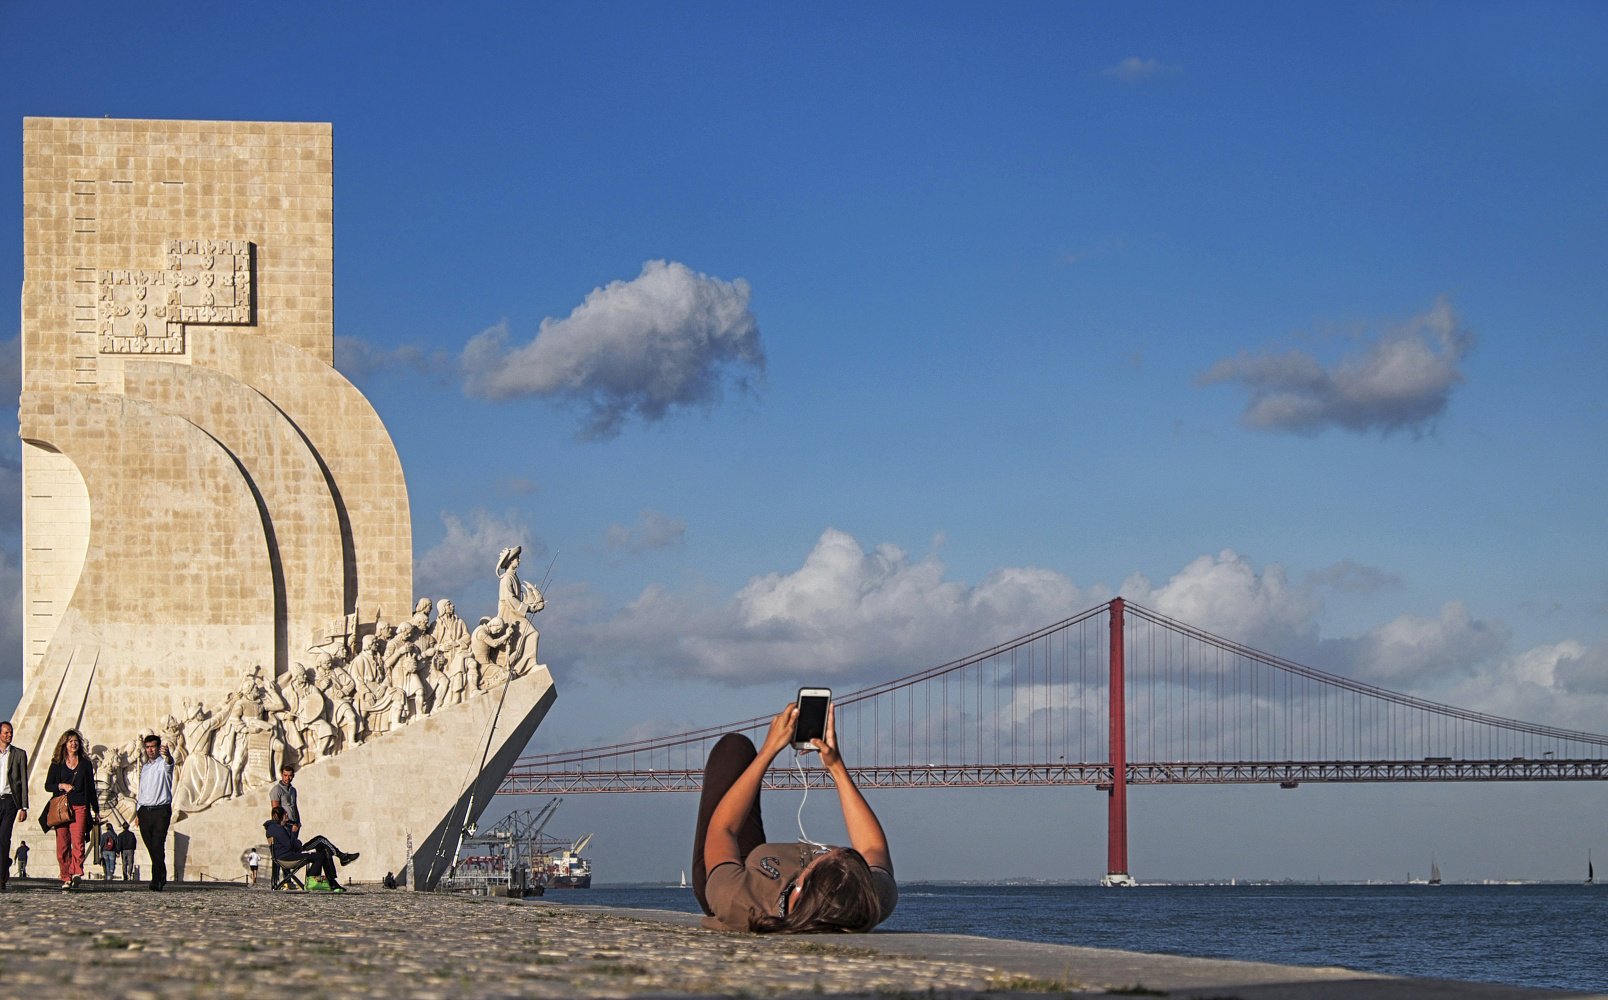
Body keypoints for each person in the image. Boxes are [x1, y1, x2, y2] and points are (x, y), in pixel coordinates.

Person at [693, 702, 897, 933]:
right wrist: (836, 766)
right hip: (774, 879)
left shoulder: (738, 898)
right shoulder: (869, 900)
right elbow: (872, 846)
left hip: (738, 869)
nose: (831, 851)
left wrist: (769, 750)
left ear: (799, 886)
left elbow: (722, 829)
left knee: (733, 748)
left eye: (823, 858)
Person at [46, 728, 98, 889]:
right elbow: (48, 785)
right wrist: (61, 785)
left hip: (80, 806)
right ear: (64, 744)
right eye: (70, 741)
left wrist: (96, 809)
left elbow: (90, 787)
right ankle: (65, 876)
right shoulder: (57, 764)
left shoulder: (85, 764)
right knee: (62, 845)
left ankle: (76, 872)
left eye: (76, 741)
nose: (74, 744)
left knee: (78, 841)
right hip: (62, 808)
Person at [264, 805, 356, 891]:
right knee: (319, 855)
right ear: (280, 816)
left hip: (289, 853)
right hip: (287, 857)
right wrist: (293, 833)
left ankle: (333, 880)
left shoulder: (275, 827)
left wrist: (294, 837)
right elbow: (289, 846)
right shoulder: (277, 828)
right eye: (285, 814)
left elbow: (289, 843)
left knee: (323, 846)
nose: (288, 816)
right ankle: (314, 880)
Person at [135, 732, 175, 891]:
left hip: (161, 810)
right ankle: (161, 873)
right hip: (145, 811)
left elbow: (170, 764)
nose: (150, 750)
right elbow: (142, 790)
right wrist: (138, 811)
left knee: (158, 844)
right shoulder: (144, 767)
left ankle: (156, 879)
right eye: (148, 747)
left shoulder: (163, 764)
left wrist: (169, 757)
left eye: (153, 746)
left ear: (158, 748)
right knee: (151, 846)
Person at [0, 720, 29, 891]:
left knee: (4, 839)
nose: (9, 735)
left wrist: (24, 807)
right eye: (6, 733)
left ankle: (2, 876)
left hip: (10, 801)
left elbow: (23, 782)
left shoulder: (19, 754)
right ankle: (5, 866)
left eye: (10, 732)